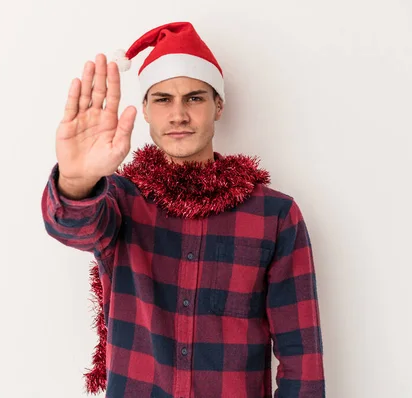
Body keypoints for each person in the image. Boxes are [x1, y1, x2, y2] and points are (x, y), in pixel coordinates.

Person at [41, 21, 325, 398]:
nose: (178, 115)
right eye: (162, 99)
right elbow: (72, 226)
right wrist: (77, 180)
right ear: (144, 109)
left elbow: (301, 355)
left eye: (194, 98)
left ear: (218, 106)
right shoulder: (120, 200)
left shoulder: (274, 215)